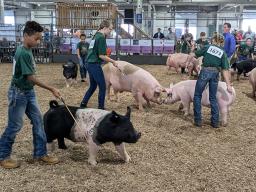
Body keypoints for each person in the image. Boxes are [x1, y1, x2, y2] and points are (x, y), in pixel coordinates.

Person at [0, 21, 61, 169]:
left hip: (28, 91)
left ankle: (40, 153)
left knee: (38, 121)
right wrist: (51, 88)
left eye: (40, 38)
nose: (38, 41)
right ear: (26, 35)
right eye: (36, 38)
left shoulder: (26, 50)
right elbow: (30, 78)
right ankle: (3, 156)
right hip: (19, 93)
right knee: (15, 125)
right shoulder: (23, 53)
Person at [191, 33, 232, 128]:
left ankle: (198, 120)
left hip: (205, 72)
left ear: (213, 40)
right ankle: (215, 122)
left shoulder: (208, 47)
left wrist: (192, 49)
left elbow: (195, 54)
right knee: (213, 98)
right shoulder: (223, 53)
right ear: (221, 42)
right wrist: (228, 85)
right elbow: (225, 70)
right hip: (215, 74)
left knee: (197, 95)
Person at [80, 20, 118, 110]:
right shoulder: (101, 37)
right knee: (102, 86)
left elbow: (97, 53)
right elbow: (101, 56)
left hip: (88, 63)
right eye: (110, 29)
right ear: (104, 28)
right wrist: (113, 61)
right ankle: (101, 107)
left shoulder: (96, 35)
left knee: (93, 86)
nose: (110, 31)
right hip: (94, 64)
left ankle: (83, 103)